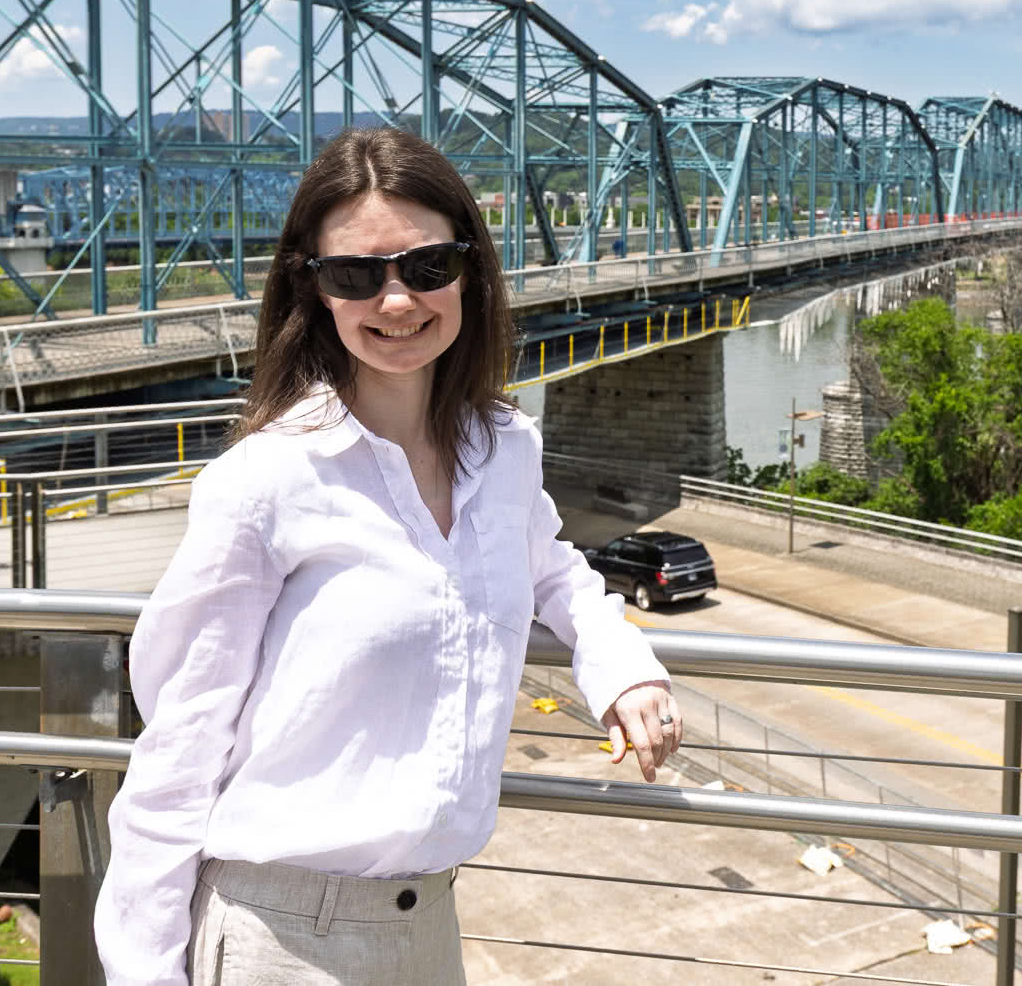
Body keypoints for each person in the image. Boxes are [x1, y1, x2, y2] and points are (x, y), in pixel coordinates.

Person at [95, 126, 681, 985]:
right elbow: (177, 751)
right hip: (277, 938)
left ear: (470, 268)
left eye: (427, 266)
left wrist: (622, 667)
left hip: (428, 928)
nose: (397, 300)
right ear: (315, 289)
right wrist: (146, 974)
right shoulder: (267, 479)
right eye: (355, 275)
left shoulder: (505, 449)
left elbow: (552, 566)